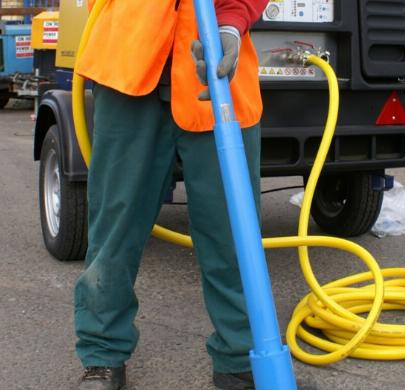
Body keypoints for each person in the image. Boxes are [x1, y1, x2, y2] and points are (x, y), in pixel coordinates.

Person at [74, 1, 269, 389]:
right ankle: (102, 355)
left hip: (215, 66)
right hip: (128, 63)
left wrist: (231, 22)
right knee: (115, 228)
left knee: (233, 231)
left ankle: (240, 357)